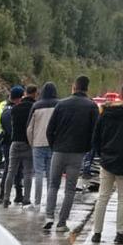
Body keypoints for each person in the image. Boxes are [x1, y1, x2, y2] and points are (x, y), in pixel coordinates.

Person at [88, 83, 123, 245]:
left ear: (120, 94)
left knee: (102, 197)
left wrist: (102, 154)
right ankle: (120, 232)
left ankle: (96, 232)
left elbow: (96, 136)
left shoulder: (106, 111)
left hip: (107, 160)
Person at [43, 75, 98, 233]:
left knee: (53, 185)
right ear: (87, 88)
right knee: (70, 189)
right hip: (77, 153)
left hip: (59, 151)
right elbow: (94, 133)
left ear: (74, 87)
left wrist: (54, 146)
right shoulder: (92, 106)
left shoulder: (61, 104)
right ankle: (61, 223)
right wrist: (86, 148)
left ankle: (48, 217)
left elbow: (49, 130)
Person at [0, 85, 34, 208]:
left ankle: (6, 198)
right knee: (28, 173)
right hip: (27, 143)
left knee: (10, 171)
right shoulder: (32, 108)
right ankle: (26, 199)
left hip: (14, 143)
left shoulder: (13, 109)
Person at [28, 81, 58, 208]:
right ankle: (50, 202)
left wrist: (32, 143)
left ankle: (37, 202)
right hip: (53, 145)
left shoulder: (36, 106)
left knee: (39, 173)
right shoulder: (59, 105)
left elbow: (30, 128)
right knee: (51, 174)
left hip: (38, 144)